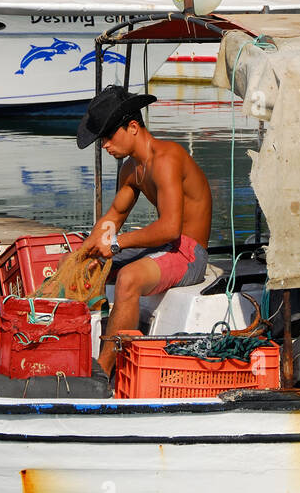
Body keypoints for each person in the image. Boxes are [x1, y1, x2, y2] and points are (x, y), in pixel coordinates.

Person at [76, 86, 212, 374]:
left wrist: (115, 244)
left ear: (133, 127)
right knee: (92, 269)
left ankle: (104, 370)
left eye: (108, 136)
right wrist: (86, 252)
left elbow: (170, 229)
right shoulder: (131, 169)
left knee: (127, 278)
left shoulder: (166, 159)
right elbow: (114, 216)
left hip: (188, 253)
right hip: (164, 248)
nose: (104, 145)